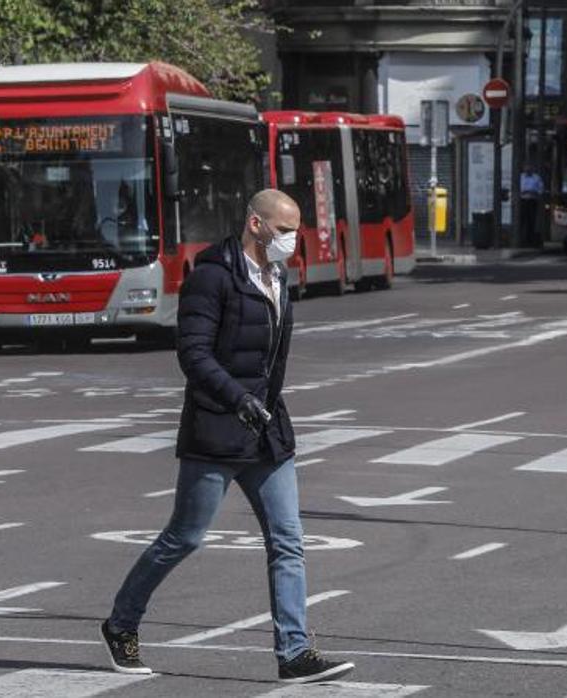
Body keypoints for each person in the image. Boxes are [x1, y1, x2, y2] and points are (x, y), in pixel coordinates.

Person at [100, 189, 354, 685]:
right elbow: (193, 354)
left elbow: (273, 360)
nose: (290, 241)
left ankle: (294, 652)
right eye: (283, 230)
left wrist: (267, 409)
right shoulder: (212, 277)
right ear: (254, 224)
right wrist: (237, 399)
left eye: (295, 231)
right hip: (217, 428)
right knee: (185, 536)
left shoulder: (278, 278)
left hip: (265, 431)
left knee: (288, 541)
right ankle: (121, 623)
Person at [519, 164, 544, 247]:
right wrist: (523, 192)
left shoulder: (536, 178)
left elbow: (540, 190)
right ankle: (521, 239)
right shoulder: (520, 177)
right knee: (521, 220)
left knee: (531, 221)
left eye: (529, 167)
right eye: (526, 167)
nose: (527, 169)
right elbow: (517, 188)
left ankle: (529, 240)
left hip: (532, 201)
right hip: (522, 201)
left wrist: (533, 192)